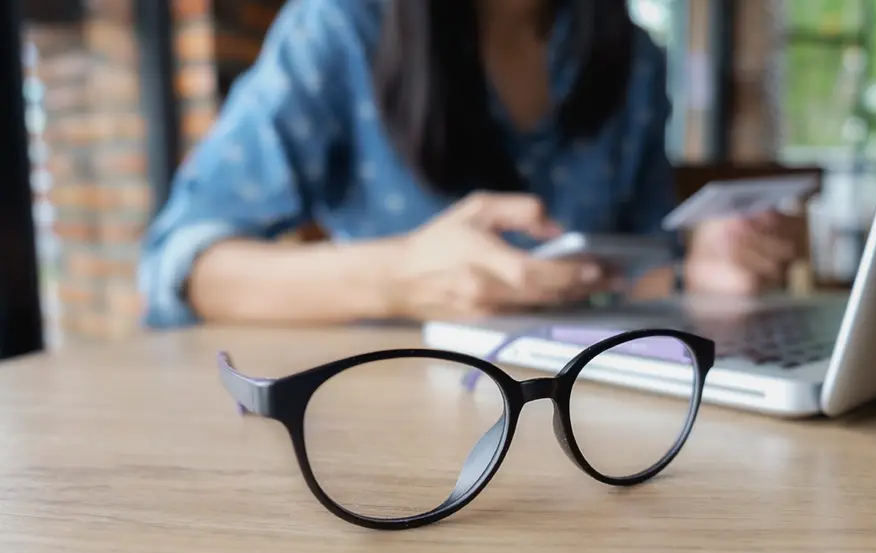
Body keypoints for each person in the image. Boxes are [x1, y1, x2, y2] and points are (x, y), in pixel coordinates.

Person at [138, 0, 804, 328]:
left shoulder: (631, 57)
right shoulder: (342, 27)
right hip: (387, 420)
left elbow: (633, 269)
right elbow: (180, 265)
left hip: (592, 413)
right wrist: (394, 276)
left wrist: (697, 272)